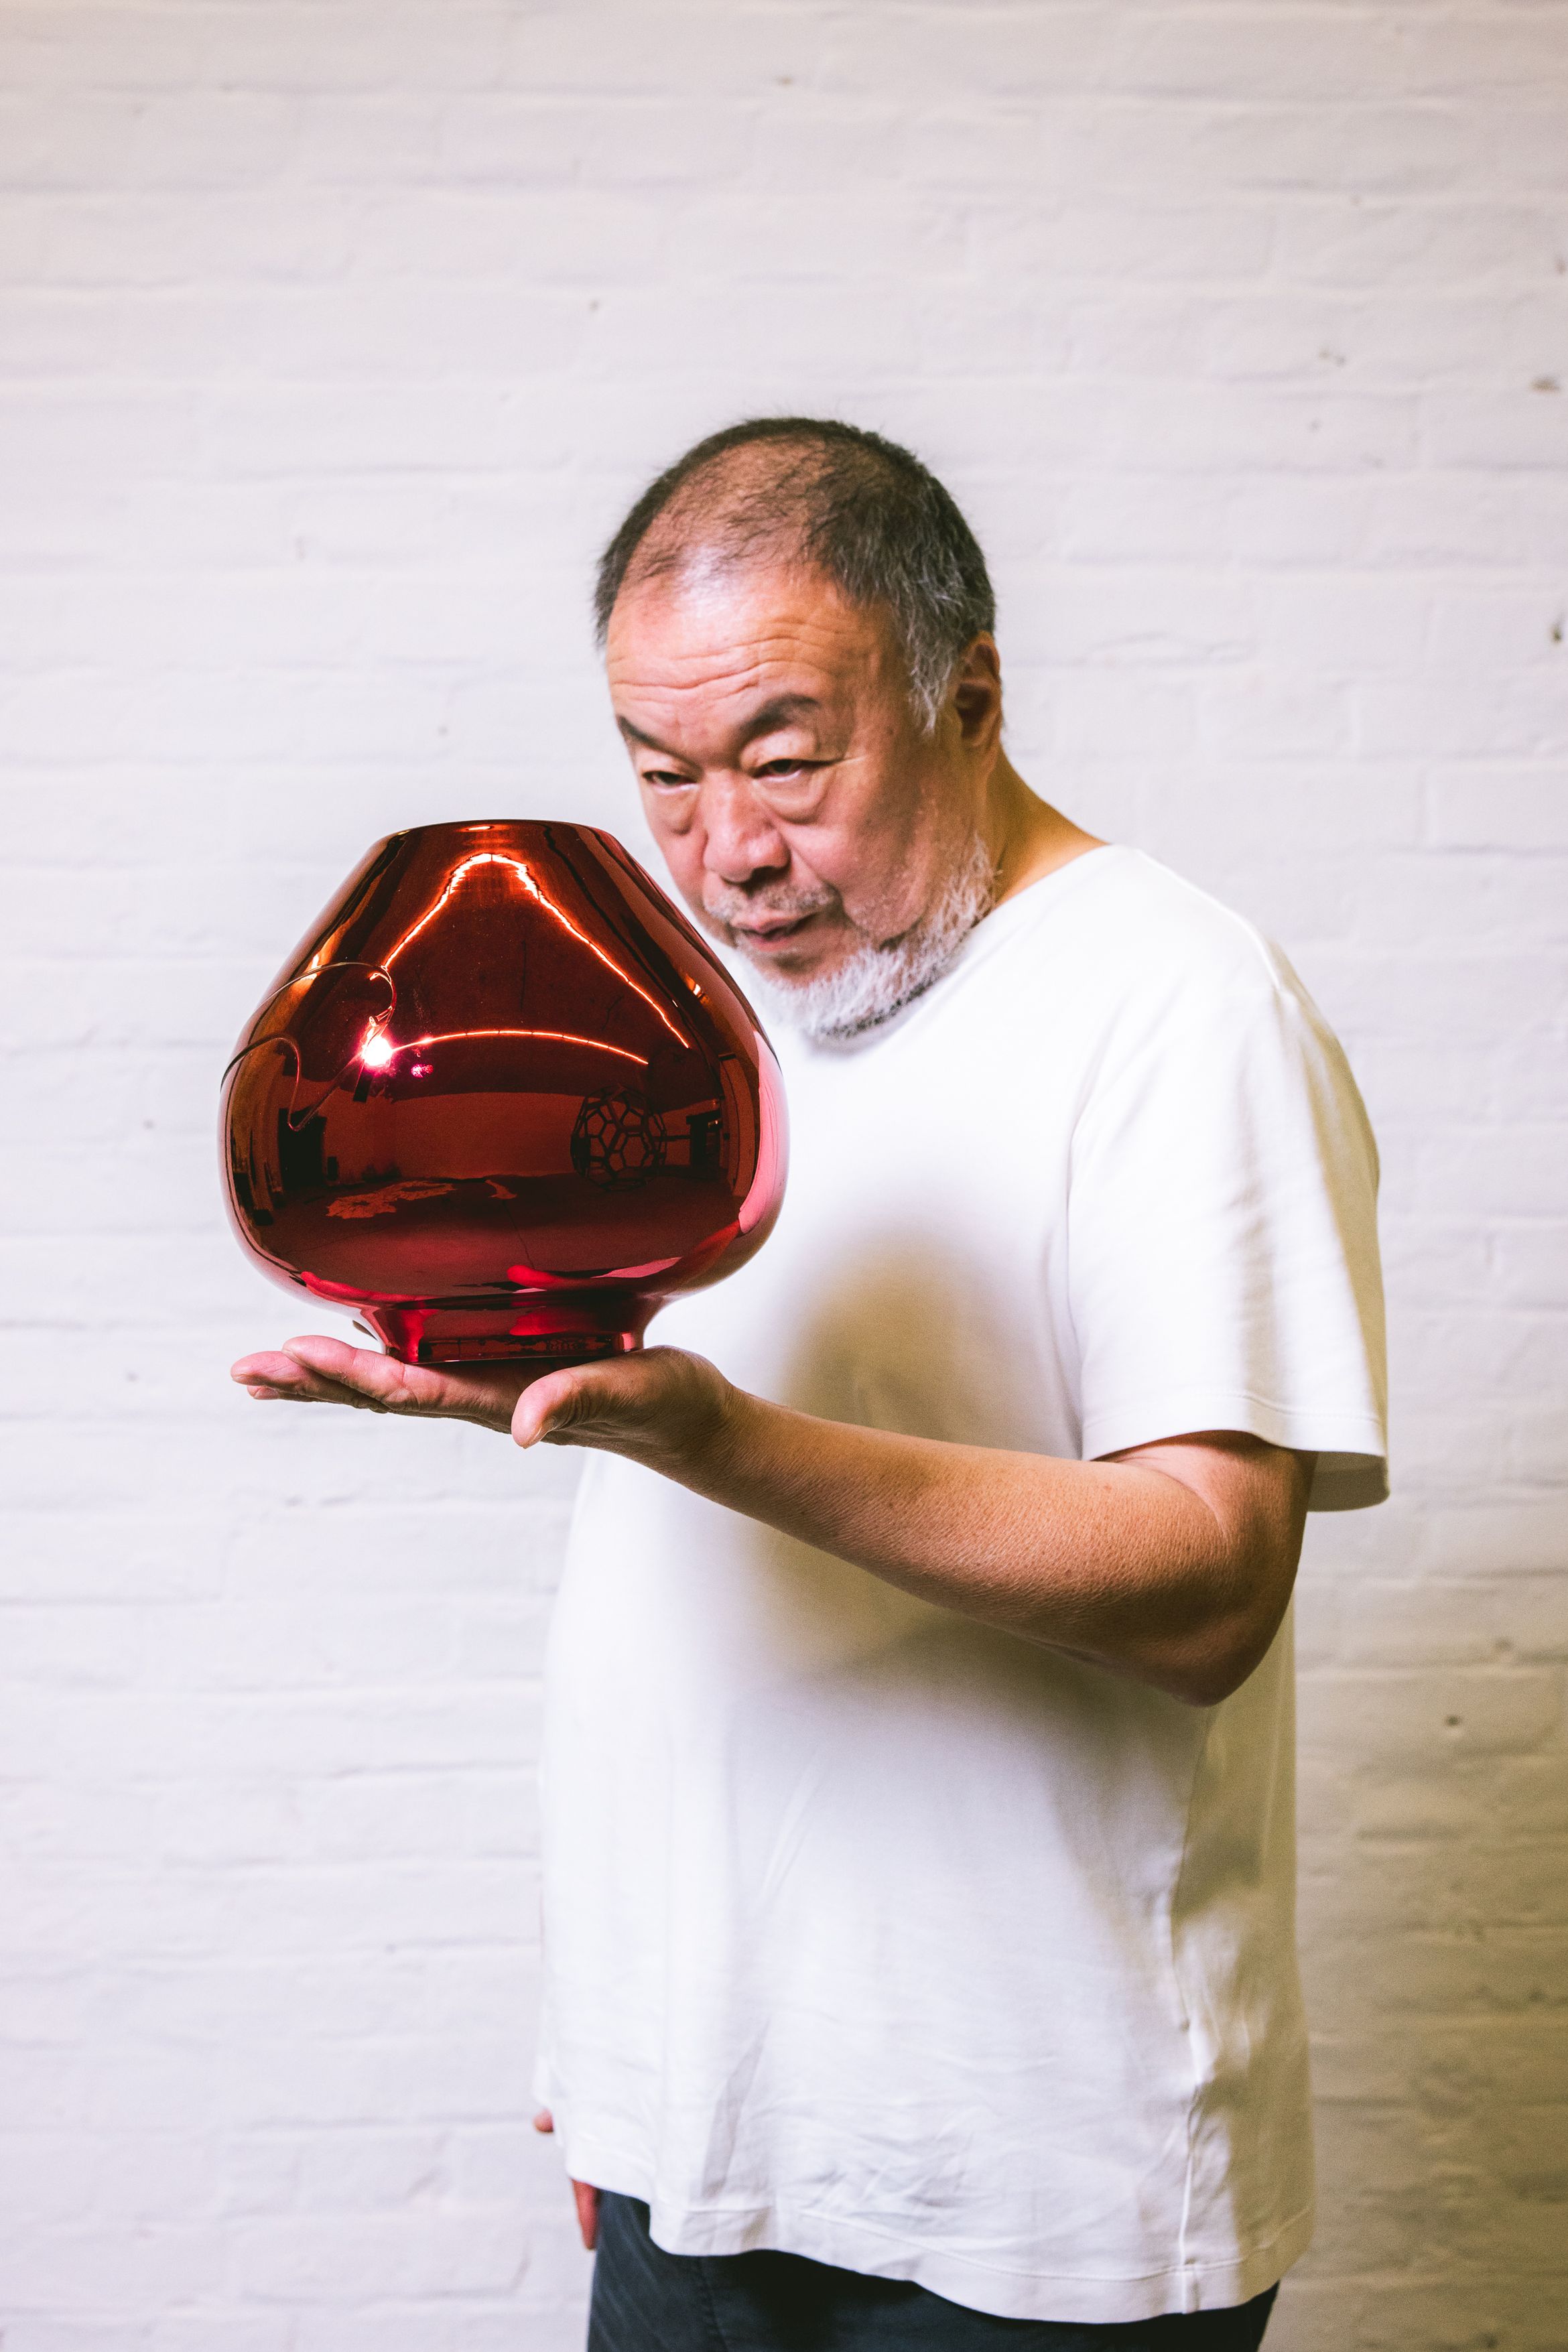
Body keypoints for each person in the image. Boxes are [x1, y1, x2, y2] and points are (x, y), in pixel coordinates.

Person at [234, 419, 1387, 2349]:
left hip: (1034, 2189)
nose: (728, 852)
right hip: (705, 2141)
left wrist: (718, 1439)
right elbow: (677, 1624)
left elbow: (1208, 1586)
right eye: (663, 773)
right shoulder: (697, 1029)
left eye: (786, 763)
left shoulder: (1176, 1003)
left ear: (968, 697)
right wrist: (624, 2048)